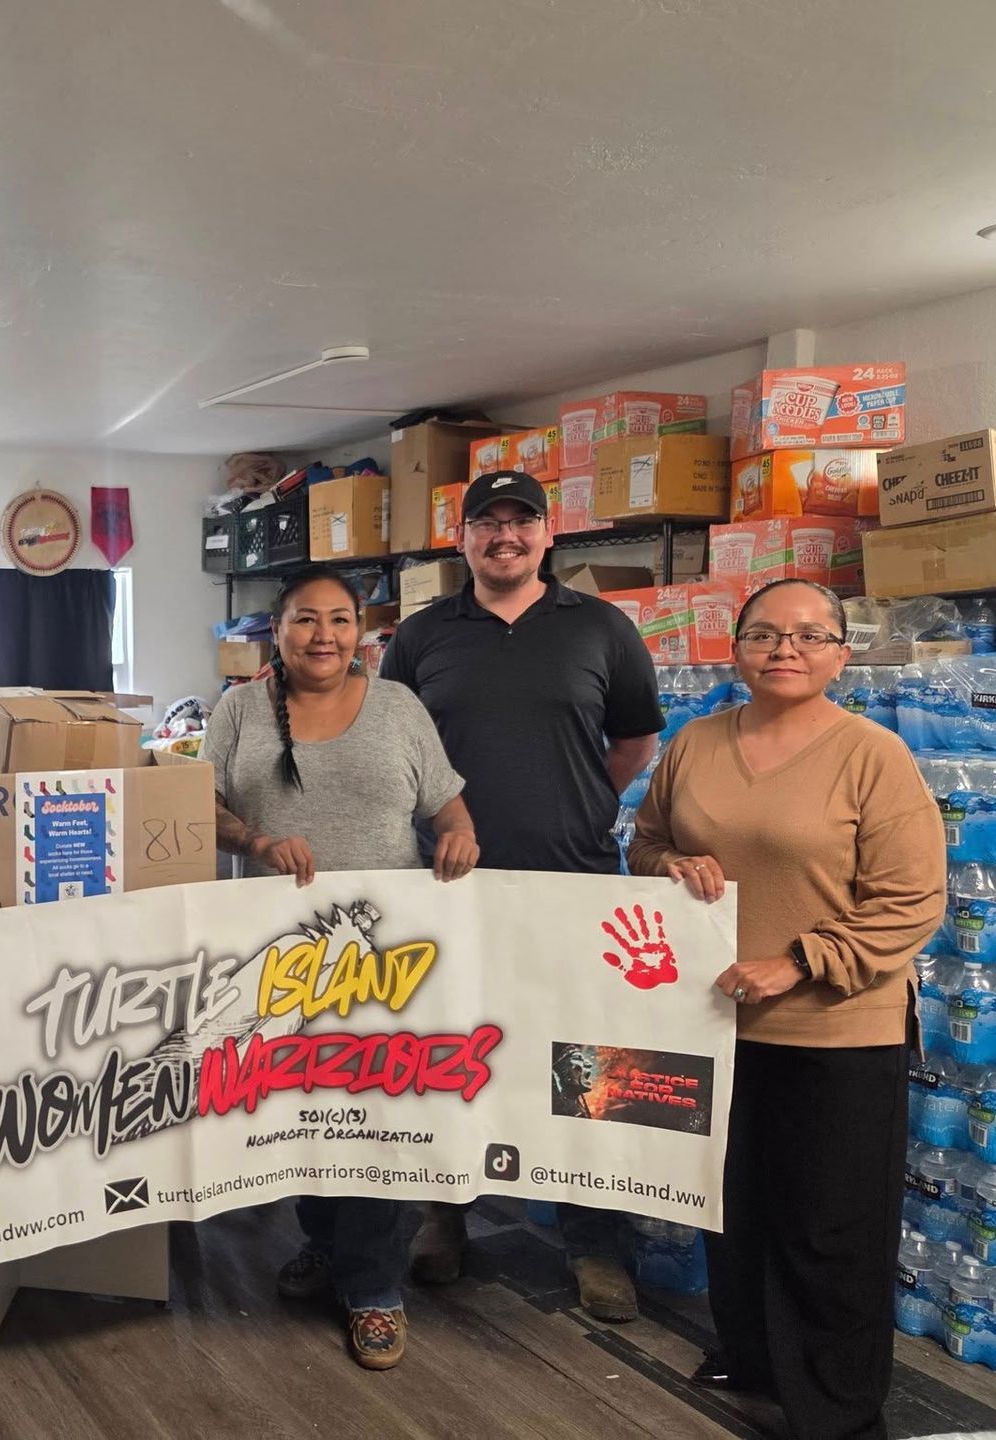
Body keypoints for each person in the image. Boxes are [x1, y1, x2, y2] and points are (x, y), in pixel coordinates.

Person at [629, 579, 944, 1437]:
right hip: (713, 1020)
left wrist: (800, 962)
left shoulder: (873, 755)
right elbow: (646, 842)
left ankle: (837, 1412)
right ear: (735, 650)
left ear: (842, 654)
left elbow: (912, 901)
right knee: (734, 1209)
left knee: (830, 1228)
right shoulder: (696, 743)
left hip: (837, 1028)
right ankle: (756, 1356)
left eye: (809, 636)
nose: (785, 650)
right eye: (764, 634)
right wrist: (669, 866)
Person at [383, 469, 664, 1322]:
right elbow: (395, 751)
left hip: (573, 883)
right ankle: (444, 1214)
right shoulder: (422, 636)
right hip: (448, 888)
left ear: (548, 535)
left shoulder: (602, 627)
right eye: (487, 522)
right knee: (451, 1057)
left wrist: (573, 805)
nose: (504, 536)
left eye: (522, 520)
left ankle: (596, 1243)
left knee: (586, 1065)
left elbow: (635, 742)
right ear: (462, 538)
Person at [204, 564, 479, 1372]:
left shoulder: (398, 707)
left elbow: (447, 804)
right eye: (304, 619)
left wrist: (460, 836)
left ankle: (374, 1286)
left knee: (380, 1110)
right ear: (277, 630)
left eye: (338, 619)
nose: (323, 635)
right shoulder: (239, 709)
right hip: (280, 952)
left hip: (390, 954)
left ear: (361, 630)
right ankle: (325, 1241)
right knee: (303, 1107)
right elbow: (202, 806)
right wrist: (256, 840)